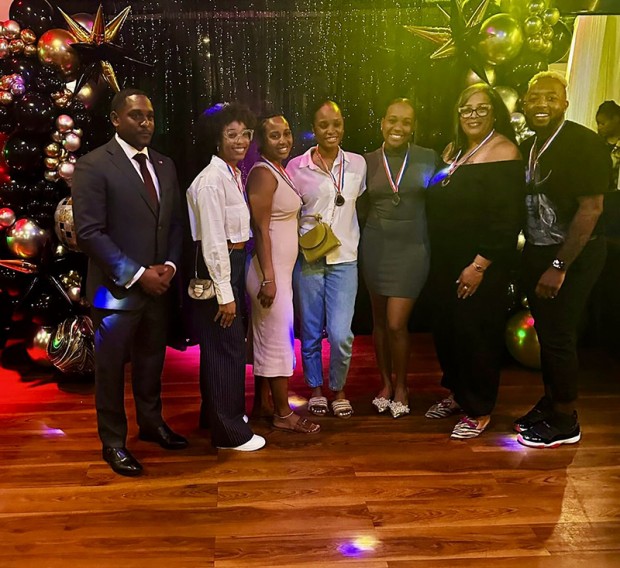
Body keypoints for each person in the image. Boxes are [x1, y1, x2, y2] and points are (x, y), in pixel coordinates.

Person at [72, 88, 188, 477]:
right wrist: (139, 275)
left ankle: (151, 425)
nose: (145, 122)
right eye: (137, 115)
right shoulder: (93, 165)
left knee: (151, 361)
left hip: (159, 286)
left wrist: (169, 265)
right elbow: (89, 233)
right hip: (116, 291)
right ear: (116, 119)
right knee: (110, 372)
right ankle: (113, 443)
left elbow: (174, 223)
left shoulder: (165, 164)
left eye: (150, 115)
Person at [516, 72, 612, 448]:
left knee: (558, 337)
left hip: (574, 257)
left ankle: (565, 419)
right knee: (547, 332)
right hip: (539, 249)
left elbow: (592, 209)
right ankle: (551, 400)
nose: (541, 104)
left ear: (565, 104)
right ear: (524, 103)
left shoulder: (585, 144)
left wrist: (559, 266)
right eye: (534, 97)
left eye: (550, 98)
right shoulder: (531, 144)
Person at [425, 83, 524, 439]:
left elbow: (507, 220)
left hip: (480, 263)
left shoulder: (505, 151)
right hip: (446, 259)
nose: (473, 115)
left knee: (475, 334)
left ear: (495, 112)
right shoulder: (453, 150)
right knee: (449, 332)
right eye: (466, 108)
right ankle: (458, 393)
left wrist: (479, 265)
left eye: (482, 108)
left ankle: (479, 408)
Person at [186, 102, 265, 452]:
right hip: (219, 266)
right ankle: (230, 433)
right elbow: (214, 241)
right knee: (227, 350)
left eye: (245, 134)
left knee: (222, 348)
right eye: (231, 134)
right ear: (216, 139)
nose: (241, 141)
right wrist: (225, 293)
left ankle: (217, 417)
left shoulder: (232, 173)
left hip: (233, 262)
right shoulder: (210, 181)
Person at [287, 100, 366, 419]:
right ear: (314, 129)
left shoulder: (358, 164)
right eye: (323, 125)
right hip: (309, 258)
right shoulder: (296, 167)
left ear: (343, 125)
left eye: (336, 124)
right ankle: (316, 389)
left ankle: (339, 388)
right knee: (309, 329)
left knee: (340, 334)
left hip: (344, 258)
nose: (331, 130)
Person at [360, 98, 437, 418]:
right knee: (379, 322)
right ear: (382, 123)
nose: (398, 127)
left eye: (406, 122)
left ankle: (403, 386)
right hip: (376, 247)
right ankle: (385, 384)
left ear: (413, 127)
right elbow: (358, 207)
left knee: (396, 323)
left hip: (412, 248)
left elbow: (442, 200)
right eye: (393, 120)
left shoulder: (428, 157)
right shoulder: (366, 161)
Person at [246, 114, 320, 434]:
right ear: (262, 142)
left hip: (278, 273)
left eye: (287, 133)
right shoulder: (263, 174)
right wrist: (269, 278)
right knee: (277, 340)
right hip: (269, 273)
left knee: (268, 338)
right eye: (274, 135)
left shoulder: (279, 169)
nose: (283, 140)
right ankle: (282, 413)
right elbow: (260, 229)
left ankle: (261, 405)